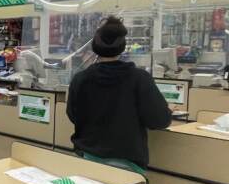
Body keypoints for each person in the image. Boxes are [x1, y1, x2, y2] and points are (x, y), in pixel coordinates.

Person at [67, 16, 172, 174]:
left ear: (95, 46)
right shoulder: (139, 79)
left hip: (87, 160)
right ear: (123, 46)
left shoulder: (80, 79)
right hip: (127, 166)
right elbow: (159, 120)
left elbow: (73, 115)